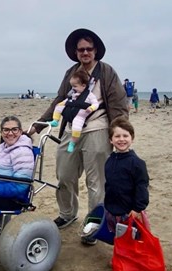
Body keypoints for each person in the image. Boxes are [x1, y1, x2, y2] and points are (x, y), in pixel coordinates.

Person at [27, 28, 127, 229]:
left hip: (98, 127)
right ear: (76, 52)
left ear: (95, 51)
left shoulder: (106, 72)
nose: (85, 53)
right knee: (64, 174)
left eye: (89, 49)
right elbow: (59, 100)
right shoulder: (70, 73)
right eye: (81, 49)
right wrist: (37, 126)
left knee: (96, 181)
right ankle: (67, 213)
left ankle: (94, 223)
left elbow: (118, 104)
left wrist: (119, 133)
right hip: (71, 129)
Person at [82, 117, 149, 245]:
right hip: (113, 209)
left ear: (132, 138)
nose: (121, 139)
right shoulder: (110, 160)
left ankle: (127, 261)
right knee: (117, 237)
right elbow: (109, 184)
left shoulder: (137, 163)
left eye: (125, 136)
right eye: (117, 136)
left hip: (130, 211)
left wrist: (137, 209)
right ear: (111, 140)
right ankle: (119, 257)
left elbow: (142, 187)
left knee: (130, 239)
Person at [49, 69, 100, 153]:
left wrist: (91, 108)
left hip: (80, 115)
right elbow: (68, 100)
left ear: (83, 85)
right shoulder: (73, 94)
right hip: (72, 107)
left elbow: (96, 104)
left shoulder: (89, 95)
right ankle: (55, 120)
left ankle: (72, 143)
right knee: (58, 106)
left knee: (76, 128)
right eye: (72, 86)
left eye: (75, 86)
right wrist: (62, 103)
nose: (73, 88)